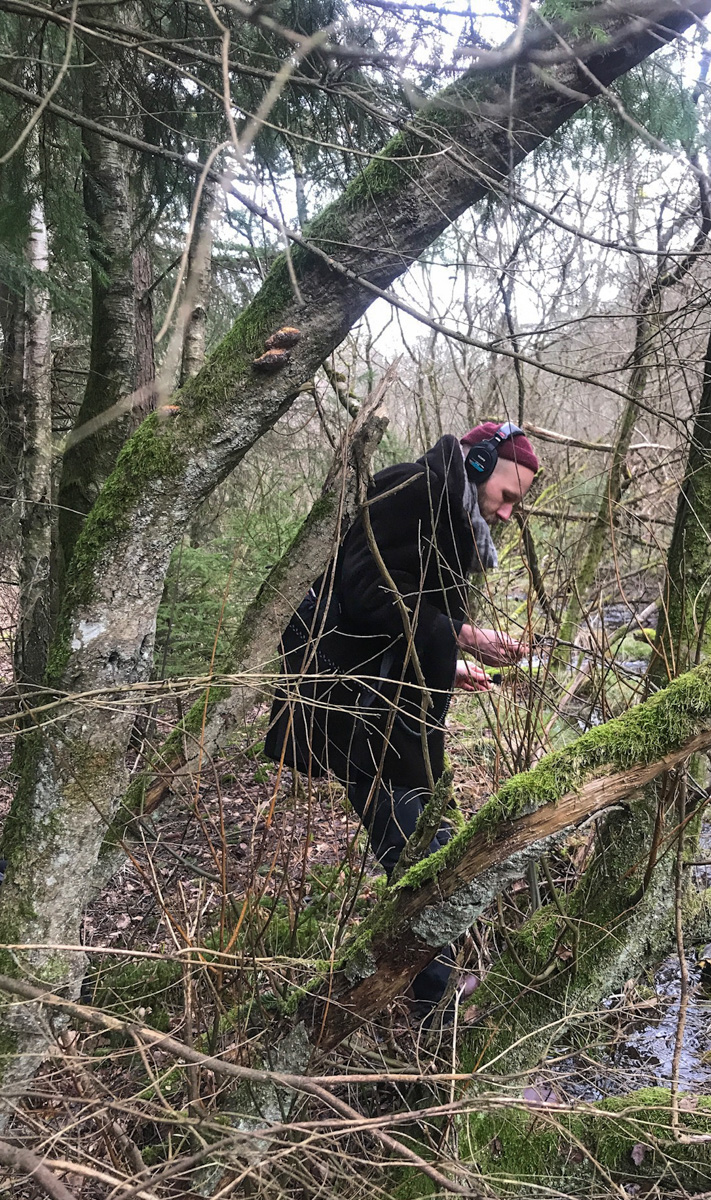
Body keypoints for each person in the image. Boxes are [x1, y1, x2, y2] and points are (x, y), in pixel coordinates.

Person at [264, 421, 539, 1012]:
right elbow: (367, 594)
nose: (508, 513)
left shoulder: (453, 516)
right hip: (361, 709)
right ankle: (434, 1007)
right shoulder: (409, 489)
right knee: (417, 860)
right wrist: (464, 635)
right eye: (507, 496)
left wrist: (449, 664)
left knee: (432, 845)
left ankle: (441, 990)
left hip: (396, 711)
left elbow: (414, 611)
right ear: (477, 463)